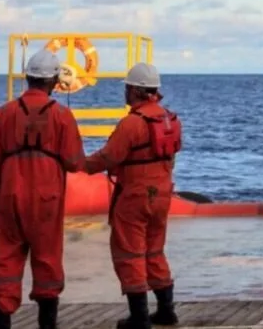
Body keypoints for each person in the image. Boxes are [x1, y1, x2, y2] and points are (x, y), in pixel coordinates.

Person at [0, 49, 85, 329]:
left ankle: (1, 318)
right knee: (47, 258)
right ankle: (47, 323)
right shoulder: (62, 116)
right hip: (46, 198)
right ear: (54, 82)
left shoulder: (3, 114)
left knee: (6, 260)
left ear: (27, 78)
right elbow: (75, 163)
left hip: (8, 196)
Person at [84, 63, 182, 329]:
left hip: (135, 196)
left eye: (127, 88)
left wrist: (80, 164)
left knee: (129, 254)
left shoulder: (132, 124)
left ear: (136, 91)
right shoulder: (170, 120)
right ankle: (166, 310)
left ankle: (139, 318)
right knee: (155, 251)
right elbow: (170, 156)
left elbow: (108, 157)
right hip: (161, 194)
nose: (125, 93)